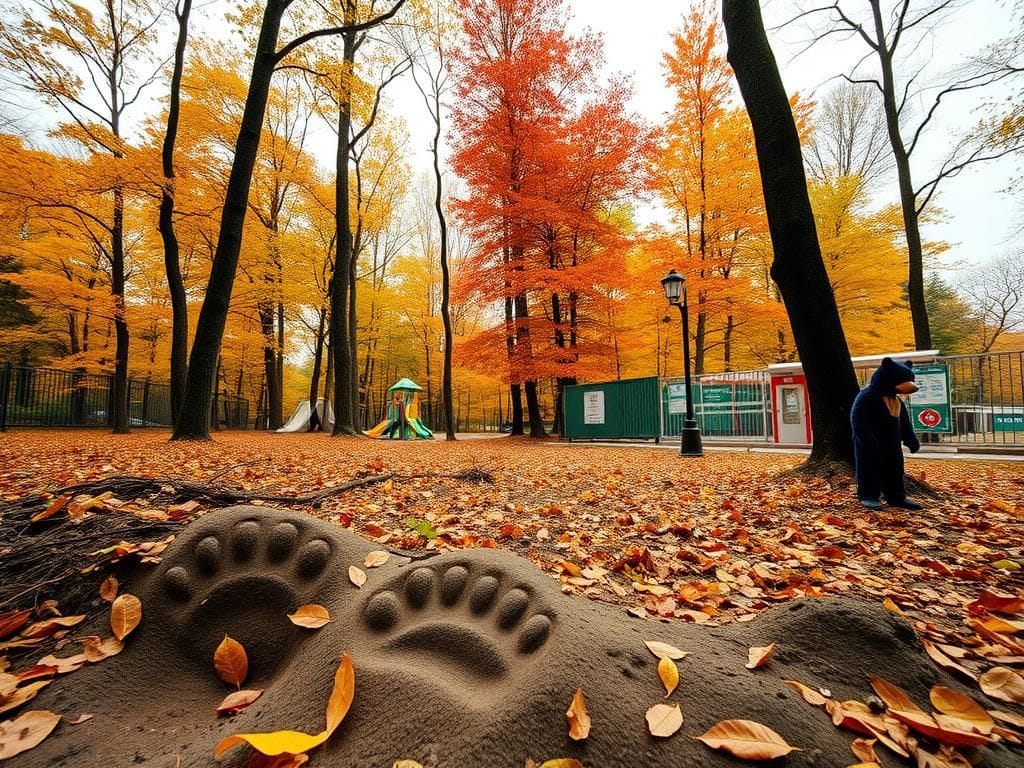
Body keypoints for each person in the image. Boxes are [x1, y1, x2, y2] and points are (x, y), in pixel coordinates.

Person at [850, 358, 923, 510]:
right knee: (868, 469)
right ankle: (869, 495)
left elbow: (904, 423)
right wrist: (867, 440)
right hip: (869, 445)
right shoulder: (867, 396)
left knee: (895, 470)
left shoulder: (896, 401)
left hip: (892, 445)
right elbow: (857, 418)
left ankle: (896, 496)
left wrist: (911, 439)